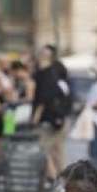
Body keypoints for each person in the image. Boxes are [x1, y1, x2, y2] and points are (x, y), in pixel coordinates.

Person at [32, 45, 70, 181]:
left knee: (43, 149)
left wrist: (35, 118)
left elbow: (42, 99)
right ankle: (62, 179)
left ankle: (53, 177)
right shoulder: (61, 80)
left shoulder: (47, 74)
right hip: (60, 119)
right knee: (58, 151)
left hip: (49, 119)